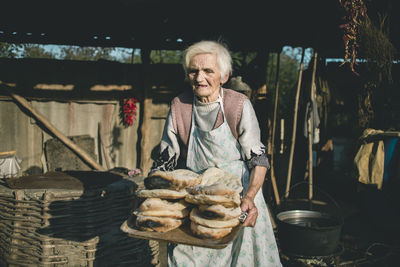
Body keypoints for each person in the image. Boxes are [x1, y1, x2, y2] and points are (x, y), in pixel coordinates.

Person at [151, 40, 282, 267]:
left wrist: (250, 196)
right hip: (198, 196)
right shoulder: (179, 106)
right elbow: (165, 161)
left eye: (208, 71)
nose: (199, 78)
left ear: (224, 75)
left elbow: (258, 159)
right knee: (187, 258)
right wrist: (152, 196)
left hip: (237, 196)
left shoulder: (238, 105)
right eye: (193, 71)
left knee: (243, 259)